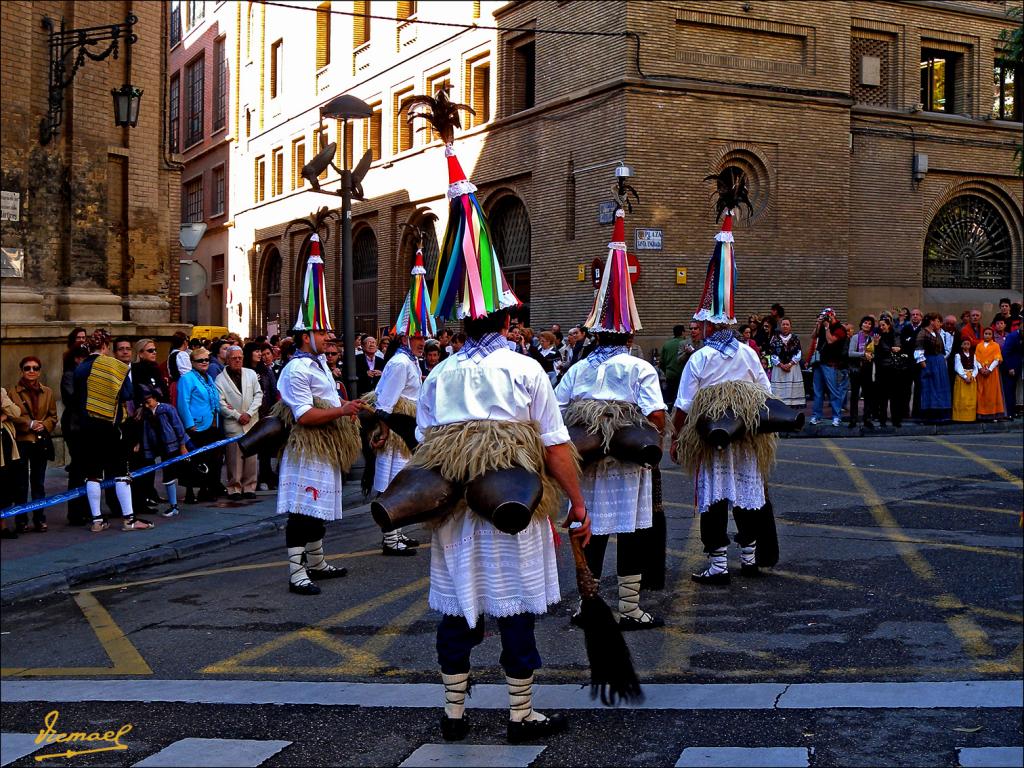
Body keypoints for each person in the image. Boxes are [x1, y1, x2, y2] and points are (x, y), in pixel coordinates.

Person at [406, 100, 589, 744]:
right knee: (515, 609)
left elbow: (428, 447)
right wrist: (577, 503)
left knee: (460, 607)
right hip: (514, 507)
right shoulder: (527, 371)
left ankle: (454, 715)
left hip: (458, 511)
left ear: (463, 321)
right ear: (508, 320)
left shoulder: (439, 376)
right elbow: (556, 446)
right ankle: (519, 715)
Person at [555, 205, 667, 630]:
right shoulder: (637, 367)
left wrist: (587, 436)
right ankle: (629, 608)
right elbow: (656, 415)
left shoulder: (579, 368)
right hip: (627, 465)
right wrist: (640, 438)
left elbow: (557, 408)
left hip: (585, 463)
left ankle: (589, 605)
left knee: (591, 528)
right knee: (633, 533)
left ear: (596, 331)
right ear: (630, 333)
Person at [671, 171, 775, 585]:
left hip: (711, 439)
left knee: (713, 500)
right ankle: (749, 559)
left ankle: (717, 565)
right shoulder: (749, 352)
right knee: (749, 496)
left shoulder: (699, 360)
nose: (697, 330)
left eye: (700, 325)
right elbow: (765, 394)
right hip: (745, 439)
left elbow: (682, 405)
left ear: (707, 325)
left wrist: (677, 441)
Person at [275, 234, 365, 595]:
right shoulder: (298, 370)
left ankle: (317, 562)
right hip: (309, 446)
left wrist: (347, 411)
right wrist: (342, 410)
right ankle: (297, 574)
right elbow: (303, 416)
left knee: (319, 507)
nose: (328, 335)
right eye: (321, 330)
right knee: (303, 510)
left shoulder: (319, 364)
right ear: (304, 334)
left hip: (325, 447)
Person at [370, 248, 432, 555]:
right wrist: (384, 431)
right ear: (406, 337)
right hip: (397, 432)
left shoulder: (412, 362)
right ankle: (389, 538)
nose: (422, 342)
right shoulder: (399, 363)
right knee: (392, 483)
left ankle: (397, 532)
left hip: (406, 429)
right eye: (418, 338)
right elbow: (384, 402)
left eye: (424, 338)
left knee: (402, 481)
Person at [75, 332, 153, 532]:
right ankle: (129, 520)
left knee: (92, 475)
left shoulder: (80, 368)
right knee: (120, 473)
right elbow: (127, 394)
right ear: (106, 347)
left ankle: (97, 521)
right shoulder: (114, 366)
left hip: (87, 427)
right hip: (111, 426)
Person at [9, 356, 58, 533]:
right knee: (20, 484)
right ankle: (21, 520)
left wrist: (44, 425)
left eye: (35, 368)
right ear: (21, 370)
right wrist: (29, 424)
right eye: (27, 368)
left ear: (39, 371)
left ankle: (39, 518)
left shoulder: (48, 392)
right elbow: (11, 415)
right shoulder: (12, 392)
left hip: (40, 442)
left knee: (39, 483)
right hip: (22, 442)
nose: (31, 371)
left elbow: (53, 416)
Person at [176, 348, 223, 503]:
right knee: (194, 459)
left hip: (212, 424)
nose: (204, 363)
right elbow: (183, 402)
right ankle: (190, 492)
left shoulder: (208, 378)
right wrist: (189, 424)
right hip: (196, 426)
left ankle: (205, 489)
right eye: (200, 360)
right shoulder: (187, 379)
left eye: (206, 360)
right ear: (192, 362)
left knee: (210, 459)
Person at [216, 345, 263, 500]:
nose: (237, 360)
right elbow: (220, 404)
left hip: (251, 422)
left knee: (251, 459)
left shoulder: (251, 374)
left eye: (240, 358)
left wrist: (249, 413)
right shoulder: (220, 379)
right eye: (234, 358)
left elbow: (258, 395)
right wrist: (237, 415)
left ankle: (249, 487)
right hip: (234, 424)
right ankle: (234, 488)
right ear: (227, 359)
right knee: (234, 458)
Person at [139, 388, 192, 517]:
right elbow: (146, 434)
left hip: (172, 445)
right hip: (161, 447)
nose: (147, 404)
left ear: (155, 398)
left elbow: (178, 426)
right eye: (144, 402)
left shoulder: (166, 409)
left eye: (149, 401)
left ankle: (174, 505)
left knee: (172, 473)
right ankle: (173, 505)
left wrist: (182, 445)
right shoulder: (146, 414)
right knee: (168, 475)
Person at [808, 307, 849, 426]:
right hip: (819, 362)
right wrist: (818, 324)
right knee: (817, 392)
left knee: (833, 391)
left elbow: (831, 341)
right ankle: (816, 416)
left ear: (832, 316)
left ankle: (836, 416)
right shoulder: (822, 325)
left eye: (826, 316)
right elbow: (813, 336)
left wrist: (826, 327)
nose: (825, 318)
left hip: (831, 363)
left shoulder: (840, 329)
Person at [250, 342, 280, 489]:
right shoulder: (245, 370)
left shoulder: (266, 371)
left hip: (266, 411)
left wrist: (274, 409)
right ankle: (251, 480)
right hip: (250, 414)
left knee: (265, 449)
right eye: (256, 350)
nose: (260, 354)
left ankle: (266, 476)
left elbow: (274, 390)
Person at [914, 312, 951, 423]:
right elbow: (918, 352)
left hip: (939, 363)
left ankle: (941, 414)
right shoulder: (923, 333)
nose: (940, 324)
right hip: (930, 362)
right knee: (930, 388)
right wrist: (925, 368)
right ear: (931, 321)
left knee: (940, 387)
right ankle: (930, 415)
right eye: (938, 321)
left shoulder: (937, 333)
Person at [768, 318, 805, 407]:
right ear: (780, 326)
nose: (785, 326)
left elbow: (798, 353)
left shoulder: (795, 338)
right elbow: (772, 353)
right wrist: (781, 365)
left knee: (792, 391)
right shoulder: (774, 338)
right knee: (779, 393)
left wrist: (789, 364)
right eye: (783, 324)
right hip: (779, 369)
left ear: (790, 327)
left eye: (787, 324)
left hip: (792, 368)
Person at [847, 316, 876, 428]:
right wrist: (863, 354)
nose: (867, 325)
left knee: (868, 395)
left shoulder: (873, 338)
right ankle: (853, 419)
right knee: (855, 395)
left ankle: (867, 419)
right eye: (865, 323)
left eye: (869, 323)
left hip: (868, 369)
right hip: (857, 369)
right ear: (861, 324)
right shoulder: (855, 337)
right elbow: (850, 353)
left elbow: (875, 353)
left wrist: (871, 355)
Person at [1, 388, 22, 539]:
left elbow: (16, 412)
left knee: (4, 486)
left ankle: (2, 526)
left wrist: (2, 398)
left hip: (6, 448)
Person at [974, 327, 1005, 421]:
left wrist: (990, 369)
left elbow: (997, 358)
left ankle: (992, 413)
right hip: (981, 373)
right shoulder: (979, 345)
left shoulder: (995, 345)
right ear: (983, 335)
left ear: (992, 335)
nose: (987, 336)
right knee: (981, 392)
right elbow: (976, 358)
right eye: (985, 334)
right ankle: (981, 414)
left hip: (992, 373)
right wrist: (980, 368)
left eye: (989, 334)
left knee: (992, 393)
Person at [952, 339, 980, 423]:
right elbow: (958, 367)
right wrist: (965, 376)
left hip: (971, 376)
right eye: (964, 344)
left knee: (970, 398)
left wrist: (973, 375)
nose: (966, 346)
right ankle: (960, 417)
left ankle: (970, 417)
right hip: (962, 377)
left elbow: (976, 367)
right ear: (961, 345)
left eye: (968, 344)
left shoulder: (973, 355)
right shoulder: (958, 355)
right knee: (961, 397)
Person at [1000, 321, 1022, 418]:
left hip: (1017, 367)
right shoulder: (1012, 337)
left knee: (1013, 390)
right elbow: (1005, 353)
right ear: (1021, 326)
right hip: (1010, 368)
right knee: (1009, 390)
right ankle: (1009, 413)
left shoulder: (1020, 336)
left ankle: (1012, 411)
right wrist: (1010, 367)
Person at [659, 324, 686, 402]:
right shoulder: (686, 343)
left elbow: (661, 362)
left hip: (670, 375)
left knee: (670, 398)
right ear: (683, 332)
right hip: (682, 375)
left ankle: (670, 412)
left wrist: (666, 371)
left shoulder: (667, 344)